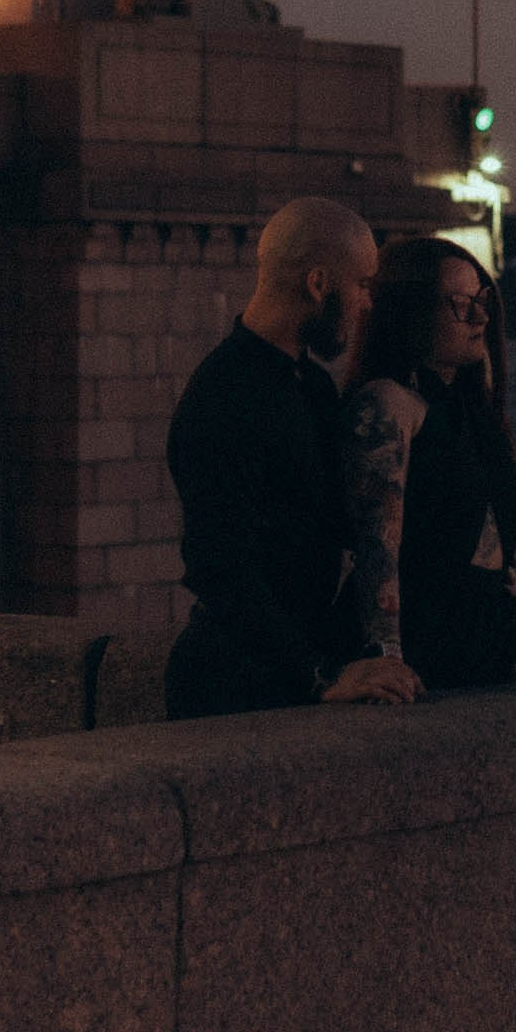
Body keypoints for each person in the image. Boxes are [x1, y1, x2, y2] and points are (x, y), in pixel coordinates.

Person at [164, 199, 423, 718]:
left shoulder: (312, 386)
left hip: (278, 676)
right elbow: (218, 566)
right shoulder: (224, 394)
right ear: (319, 284)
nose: (367, 304)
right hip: (233, 689)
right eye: (360, 286)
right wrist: (320, 675)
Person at [339, 237, 516, 690]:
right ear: (412, 312)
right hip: (426, 652)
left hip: (477, 650)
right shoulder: (390, 404)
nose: (480, 317)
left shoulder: (470, 414)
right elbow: (377, 548)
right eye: (460, 304)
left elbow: (491, 556)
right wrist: (387, 658)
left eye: (482, 300)